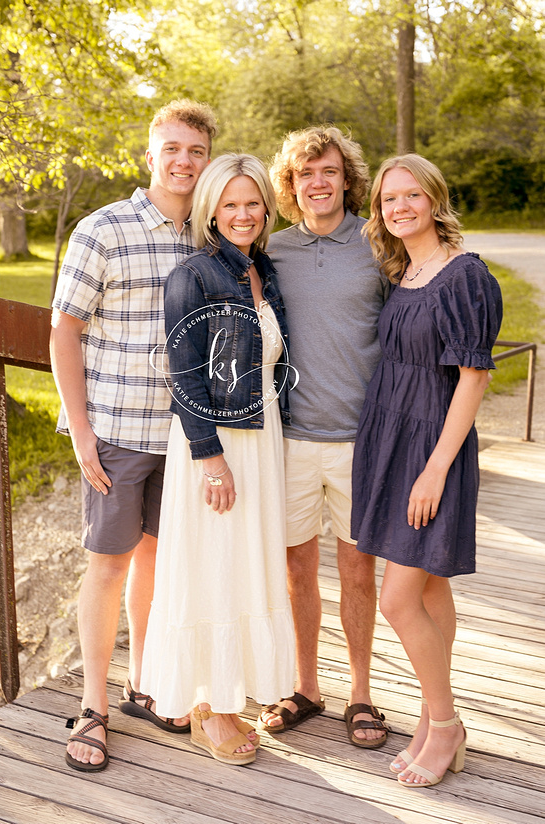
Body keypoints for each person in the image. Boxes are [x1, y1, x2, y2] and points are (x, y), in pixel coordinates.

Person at [50, 99, 218, 772]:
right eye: (172, 149)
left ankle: (147, 684)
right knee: (108, 566)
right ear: (150, 155)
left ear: (207, 161)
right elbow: (65, 330)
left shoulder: (208, 238)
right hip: (117, 432)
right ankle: (93, 706)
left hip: (184, 438)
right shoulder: (104, 229)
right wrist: (81, 431)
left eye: (196, 152)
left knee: (158, 565)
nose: (183, 161)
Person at [139, 154, 296, 767]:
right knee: (214, 567)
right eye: (229, 204)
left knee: (246, 566)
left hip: (263, 438)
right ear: (210, 210)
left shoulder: (264, 272)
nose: (242, 214)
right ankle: (213, 706)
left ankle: (230, 691)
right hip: (217, 446)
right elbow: (185, 379)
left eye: (251, 203)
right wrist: (210, 458)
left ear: (265, 208)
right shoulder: (195, 275)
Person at [353, 154, 501, 787]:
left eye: (412, 196)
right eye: (389, 200)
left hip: (430, 451)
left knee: (397, 599)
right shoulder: (406, 271)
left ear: (435, 200)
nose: (400, 207)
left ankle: (445, 726)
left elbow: (473, 377)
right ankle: (430, 714)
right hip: (389, 441)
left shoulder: (465, 276)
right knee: (430, 589)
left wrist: (436, 469)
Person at [259, 126, 391, 748]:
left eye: (329, 172)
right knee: (295, 569)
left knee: (359, 570)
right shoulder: (272, 251)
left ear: (346, 179)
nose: (318, 183)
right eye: (306, 173)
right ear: (290, 183)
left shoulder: (377, 243)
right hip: (289, 440)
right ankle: (306, 687)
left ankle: (360, 693)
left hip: (361, 441)